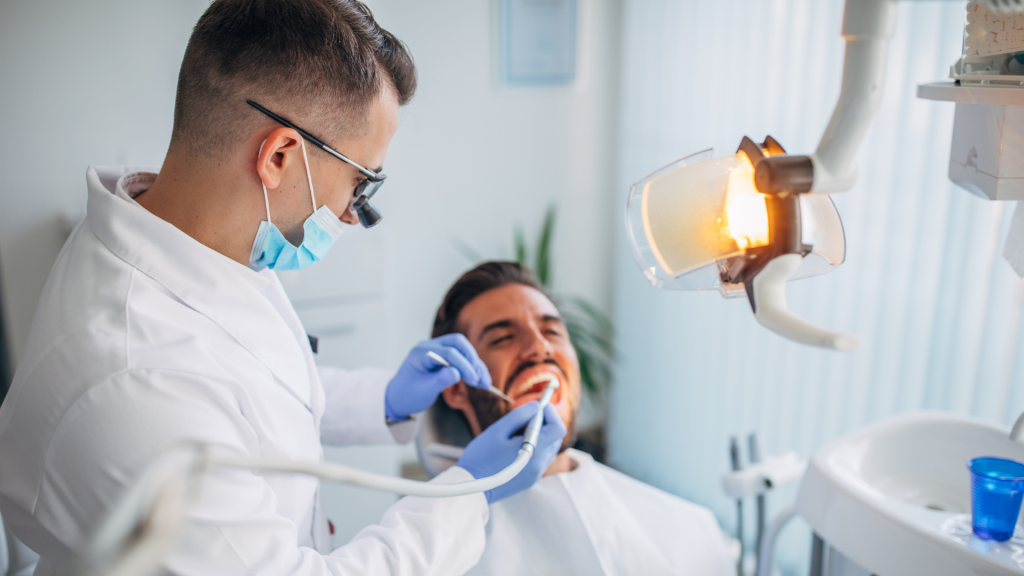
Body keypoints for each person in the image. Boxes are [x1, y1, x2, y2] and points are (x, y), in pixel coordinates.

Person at [0, 2, 566, 575]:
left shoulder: (190, 235)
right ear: (278, 156)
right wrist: (468, 492)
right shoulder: (135, 381)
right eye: (360, 184)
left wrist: (384, 400)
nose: (351, 215)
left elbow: (253, 399)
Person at [417, 261, 736, 576]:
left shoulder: (690, 531)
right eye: (502, 339)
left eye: (552, 331)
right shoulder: (428, 557)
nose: (539, 347)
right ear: (457, 389)